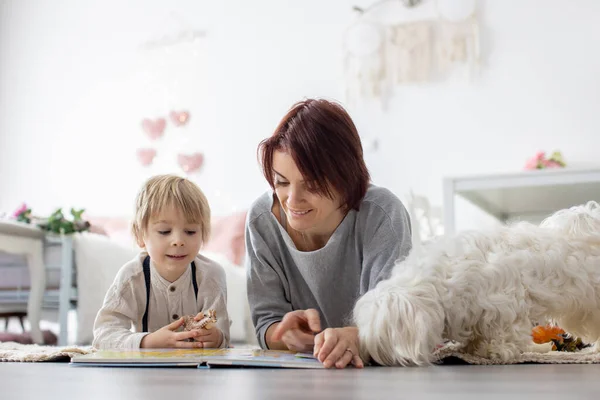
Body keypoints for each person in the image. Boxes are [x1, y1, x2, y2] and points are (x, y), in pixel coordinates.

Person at [245, 98, 412, 368]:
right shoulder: (262, 220)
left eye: (311, 185)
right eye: (281, 182)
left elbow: (395, 323)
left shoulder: (382, 214)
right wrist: (287, 335)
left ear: (346, 178)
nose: (292, 200)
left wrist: (356, 337)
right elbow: (266, 323)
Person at [93, 174, 230, 349]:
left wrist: (216, 338)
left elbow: (222, 336)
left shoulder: (211, 276)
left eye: (190, 231)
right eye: (164, 231)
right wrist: (147, 341)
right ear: (141, 235)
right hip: (145, 373)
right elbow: (104, 335)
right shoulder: (132, 277)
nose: (178, 241)